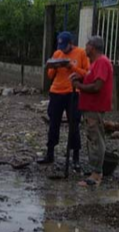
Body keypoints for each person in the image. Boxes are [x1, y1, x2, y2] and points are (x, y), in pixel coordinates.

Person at [37, 31, 90, 168]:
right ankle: (50, 153)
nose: (63, 49)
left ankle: (75, 157)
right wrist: (53, 67)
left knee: (74, 124)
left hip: (73, 92)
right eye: (61, 46)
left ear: (71, 43)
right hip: (56, 92)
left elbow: (86, 74)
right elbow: (50, 76)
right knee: (53, 123)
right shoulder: (57, 54)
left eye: (65, 46)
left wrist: (71, 67)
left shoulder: (81, 53)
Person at [70, 36, 113, 187]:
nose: (84, 48)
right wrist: (81, 79)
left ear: (92, 47)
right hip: (90, 107)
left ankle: (96, 175)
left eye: (87, 45)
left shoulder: (101, 62)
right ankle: (94, 171)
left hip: (95, 107)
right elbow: (92, 81)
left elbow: (97, 86)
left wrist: (78, 85)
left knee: (96, 139)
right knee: (92, 138)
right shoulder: (94, 64)